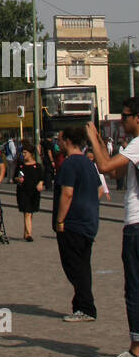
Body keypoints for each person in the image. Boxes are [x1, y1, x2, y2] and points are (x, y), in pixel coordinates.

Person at [86, 105, 139, 357]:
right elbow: (118, 171)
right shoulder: (133, 146)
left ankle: (137, 349)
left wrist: (94, 138)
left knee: (134, 288)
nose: (122, 120)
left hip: (137, 224)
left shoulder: (138, 144)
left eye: (126, 116)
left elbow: (105, 167)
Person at [53, 126, 101, 322]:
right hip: (88, 221)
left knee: (74, 266)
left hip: (73, 223)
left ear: (68, 141)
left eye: (60, 139)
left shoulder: (70, 164)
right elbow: (98, 189)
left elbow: (67, 193)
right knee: (82, 264)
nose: (57, 143)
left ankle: (86, 307)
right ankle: (80, 304)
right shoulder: (88, 163)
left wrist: (60, 219)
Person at [13, 140, 44, 241]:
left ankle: (26, 232)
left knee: (30, 213)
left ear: (31, 154)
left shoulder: (37, 166)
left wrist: (41, 183)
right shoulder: (20, 165)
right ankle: (29, 234)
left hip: (34, 192)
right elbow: (14, 178)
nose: (23, 154)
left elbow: (42, 178)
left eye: (25, 152)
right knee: (27, 212)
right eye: (23, 152)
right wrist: (18, 179)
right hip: (23, 191)